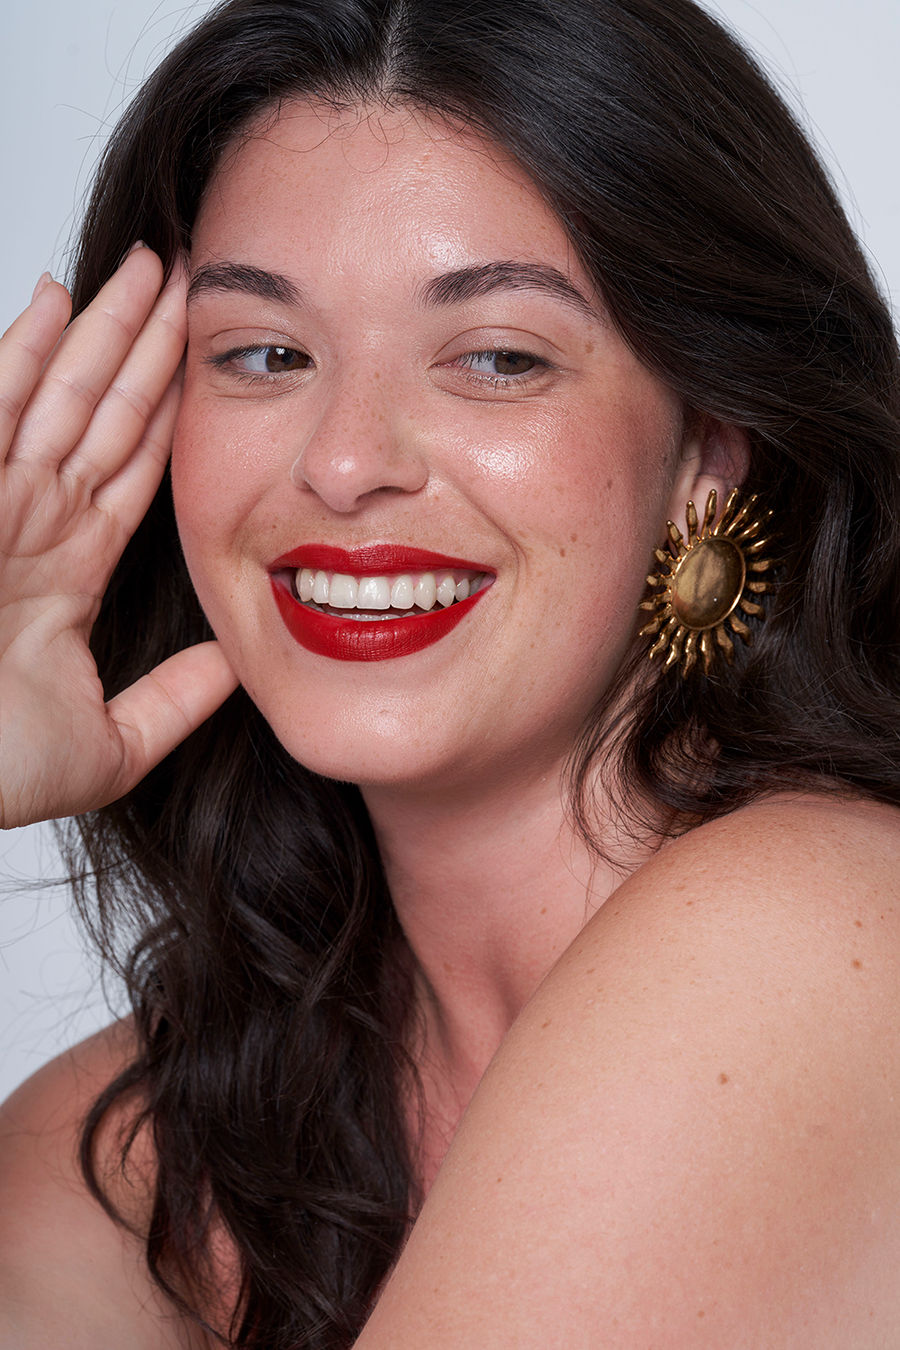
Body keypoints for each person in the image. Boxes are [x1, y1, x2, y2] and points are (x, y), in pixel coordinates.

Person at [1, 0, 899, 1344]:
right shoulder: (150, 1135)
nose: (346, 462)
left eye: (495, 358)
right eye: (266, 354)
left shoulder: (814, 926)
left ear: (708, 451)